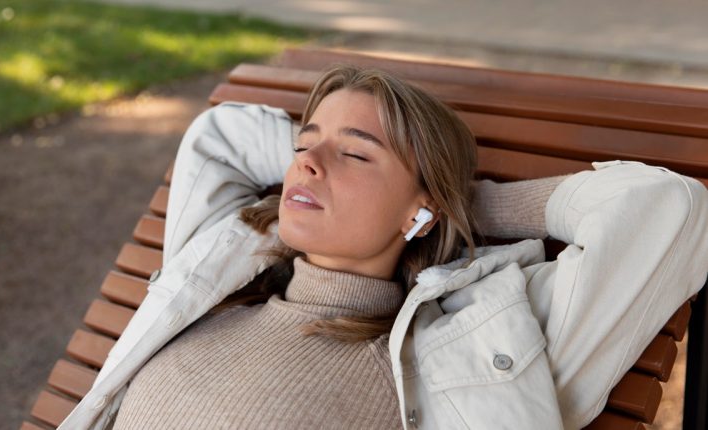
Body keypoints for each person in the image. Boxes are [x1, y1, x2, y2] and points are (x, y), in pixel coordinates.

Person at [58, 65, 708, 430]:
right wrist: (380, 179)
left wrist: (460, 201)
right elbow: (220, 133)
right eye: (305, 144)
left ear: (419, 210)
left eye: (354, 154)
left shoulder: (456, 353)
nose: (306, 164)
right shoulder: (226, 271)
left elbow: (670, 211)